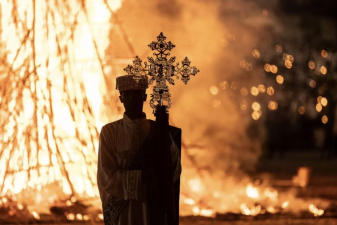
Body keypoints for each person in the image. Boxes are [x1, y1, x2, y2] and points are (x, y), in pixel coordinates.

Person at [97, 75, 182, 225]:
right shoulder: (109, 132)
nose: (132, 99)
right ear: (121, 98)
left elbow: (173, 169)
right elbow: (106, 175)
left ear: (144, 96)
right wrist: (142, 177)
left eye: (137, 94)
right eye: (127, 94)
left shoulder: (159, 131)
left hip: (152, 207)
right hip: (123, 211)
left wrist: (158, 176)